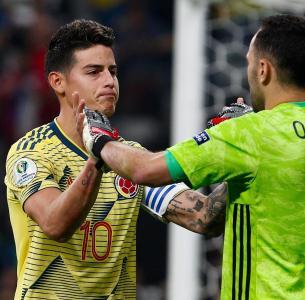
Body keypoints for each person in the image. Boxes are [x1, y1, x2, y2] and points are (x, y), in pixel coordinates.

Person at [75, 15, 305, 299]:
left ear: (263, 70)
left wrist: (99, 138)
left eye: (248, 62)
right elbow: (211, 217)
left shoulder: (251, 134)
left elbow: (145, 169)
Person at [4, 19, 232, 299]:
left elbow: (204, 218)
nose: (109, 81)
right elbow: (55, 224)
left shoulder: (130, 158)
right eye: (94, 72)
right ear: (58, 82)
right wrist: (99, 156)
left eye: (113, 71)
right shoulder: (31, 151)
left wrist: (238, 151)